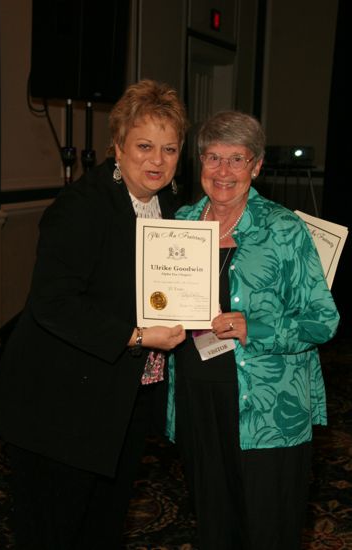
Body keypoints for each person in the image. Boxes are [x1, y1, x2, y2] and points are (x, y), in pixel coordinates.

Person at [0, 79, 188, 550]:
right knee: (55, 531)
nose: (156, 160)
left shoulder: (172, 209)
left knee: (103, 526)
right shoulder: (81, 207)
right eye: (144, 146)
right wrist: (137, 336)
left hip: (124, 397)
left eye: (169, 148)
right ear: (117, 145)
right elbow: (52, 303)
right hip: (60, 405)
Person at [170, 110, 340, 550]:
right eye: (212, 158)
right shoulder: (181, 223)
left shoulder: (283, 229)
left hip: (267, 408)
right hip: (197, 400)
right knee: (213, 525)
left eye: (237, 159)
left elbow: (323, 321)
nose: (223, 171)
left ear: (256, 166)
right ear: (199, 163)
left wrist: (256, 328)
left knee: (267, 529)